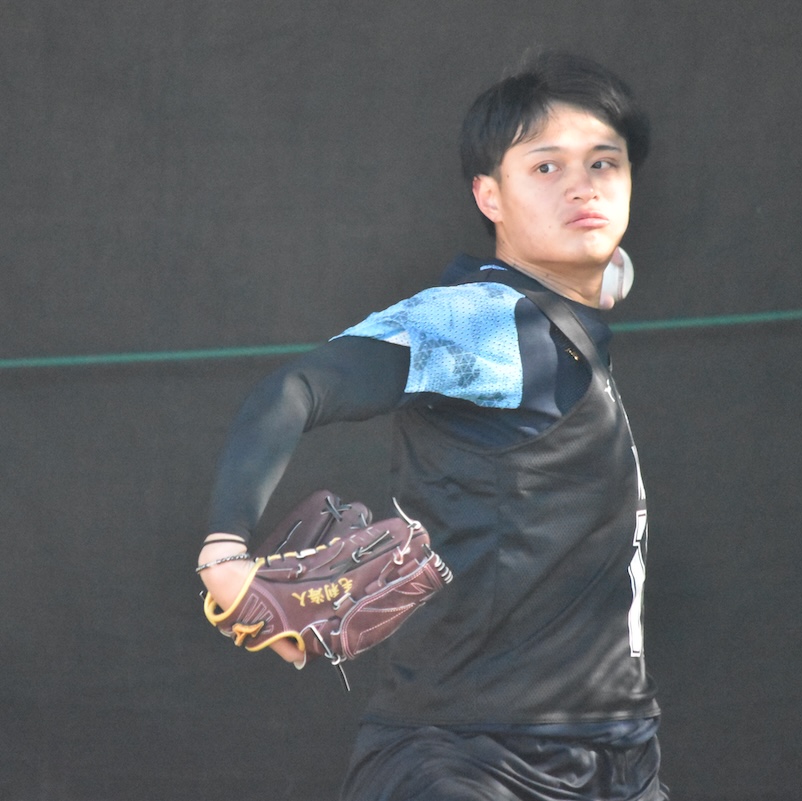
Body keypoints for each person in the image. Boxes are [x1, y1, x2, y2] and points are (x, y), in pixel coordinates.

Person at [197, 51, 667, 800]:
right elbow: (295, 389)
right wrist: (224, 552)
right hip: (471, 760)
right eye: (546, 167)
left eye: (604, 163)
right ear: (489, 195)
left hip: (615, 758)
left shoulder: (564, 321)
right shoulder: (482, 319)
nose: (583, 185)